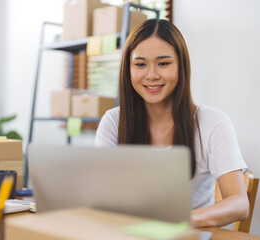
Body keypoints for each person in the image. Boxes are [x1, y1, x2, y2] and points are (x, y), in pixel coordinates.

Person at [95, 19, 249, 228]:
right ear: (128, 69)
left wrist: (181, 221)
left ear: (181, 65)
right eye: (140, 64)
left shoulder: (212, 122)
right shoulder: (113, 121)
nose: (152, 75)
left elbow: (239, 204)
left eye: (163, 63)